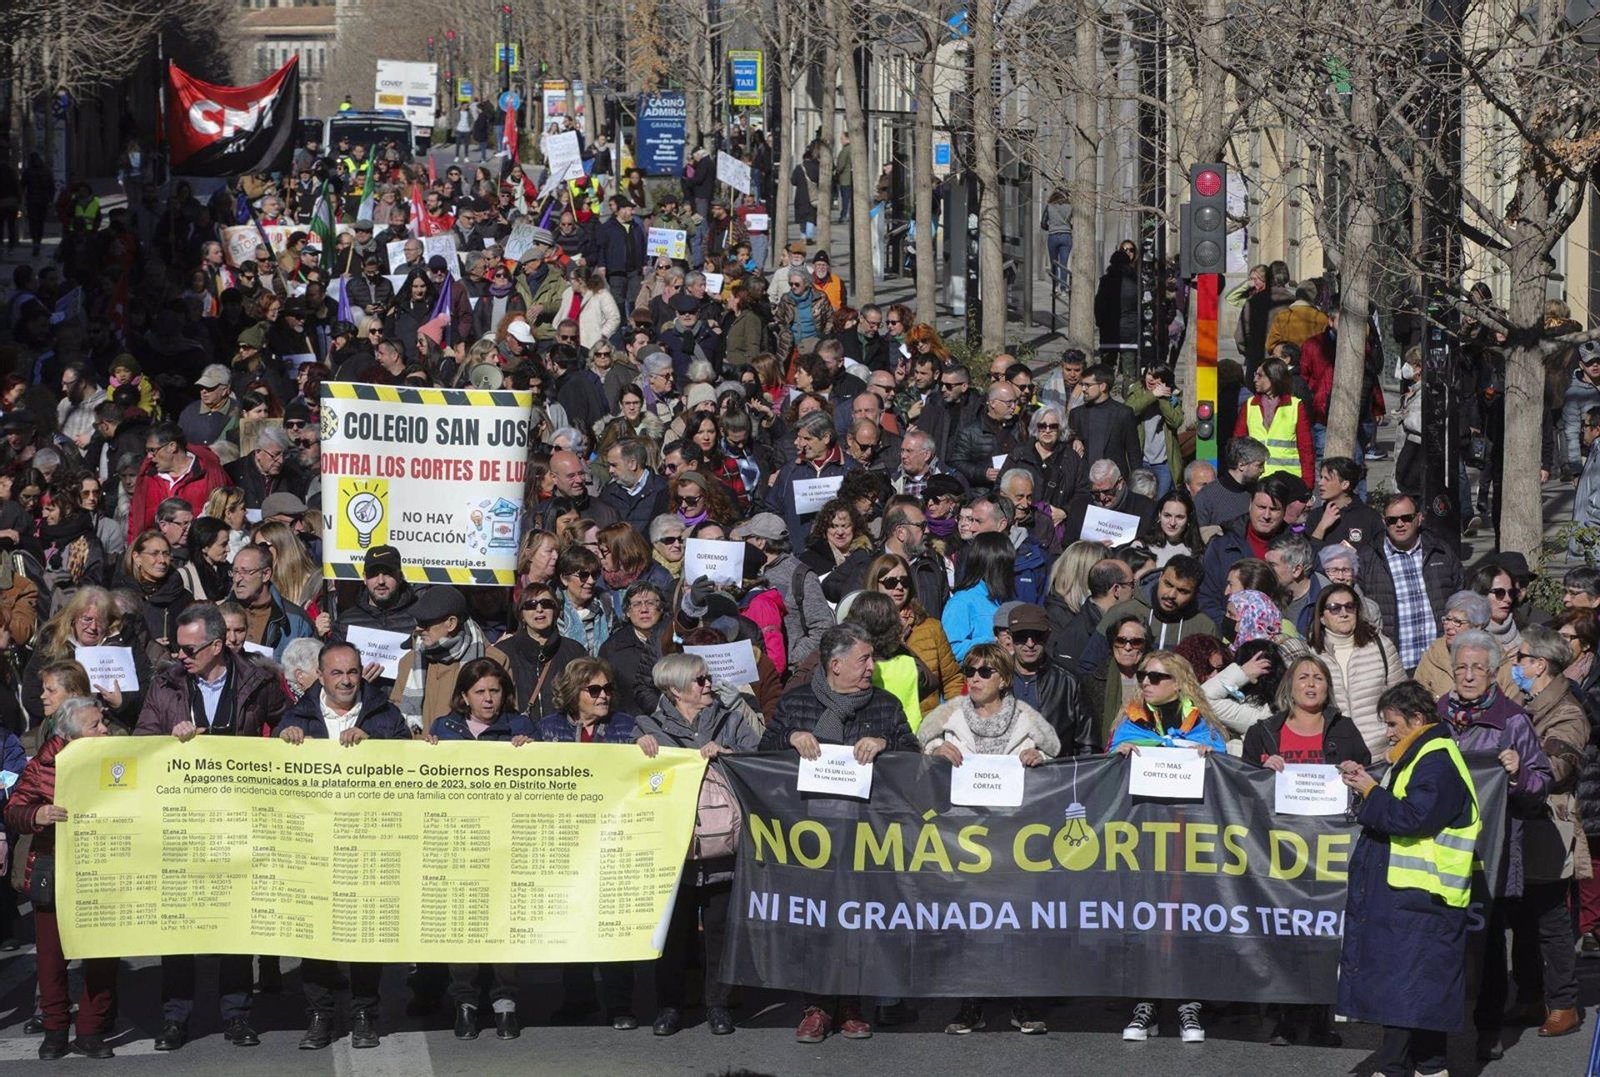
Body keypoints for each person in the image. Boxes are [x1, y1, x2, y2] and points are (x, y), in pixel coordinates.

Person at [762, 623, 918, 1043]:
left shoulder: (883, 705)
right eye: (864, 659)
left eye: (871, 659)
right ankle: (815, 1006)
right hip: (809, 836)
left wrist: (886, 745)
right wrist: (789, 737)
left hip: (867, 835)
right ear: (835, 664)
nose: (872, 667)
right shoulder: (797, 702)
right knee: (815, 922)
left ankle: (851, 1004)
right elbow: (762, 759)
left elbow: (915, 759)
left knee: (857, 921)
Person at [136, 603, 280, 1049]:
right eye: (178, 648)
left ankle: (236, 1014)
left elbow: (294, 721)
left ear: (218, 646)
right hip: (184, 819)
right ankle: (175, 1017)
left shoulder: (259, 681)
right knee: (180, 923)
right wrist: (167, 739)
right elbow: (142, 742)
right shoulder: (165, 684)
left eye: (190, 648)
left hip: (240, 817)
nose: (180, 655)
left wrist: (291, 735)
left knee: (234, 921)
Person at [1336, 681, 1482, 1077]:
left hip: (1419, 894)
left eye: (1393, 723)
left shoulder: (1434, 759)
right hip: (1418, 894)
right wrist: (1370, 783)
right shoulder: (1423, 753)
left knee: (1403, 987)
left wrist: (1369, 790)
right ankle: (1431, 1067)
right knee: (1421, 986)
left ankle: (1394, 1066)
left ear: (1418, 719)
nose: (1389, 731)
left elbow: (1412, 818)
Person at [278, 641, 412, 1049]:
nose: (346, 680)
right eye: (336, 673)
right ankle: (320, 1016)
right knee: (314, 936)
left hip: (368, 840)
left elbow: (410, 768)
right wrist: (286, 739)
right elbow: (274, 779)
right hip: (315, 844)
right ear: (320, 675)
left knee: (364, 935)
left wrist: (374, 744)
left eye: (352, 672)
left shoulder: (384, 715)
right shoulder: (297, 715)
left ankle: (365, 1016)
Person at [920, 641, 1057, 1035]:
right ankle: (970, 1004)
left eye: (984, 672)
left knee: (1015, 922)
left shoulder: (1026, 717)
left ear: (1004, 678)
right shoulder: (950, 713)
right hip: (964, 834)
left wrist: (1039, 759)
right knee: (969, 924)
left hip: (1013, 834)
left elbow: (1053, 747)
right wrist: (935, 748)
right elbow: (921, 738)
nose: (974, 679)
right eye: (969, 671)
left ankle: (1021, 1001)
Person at [635, 652, 764, 1036]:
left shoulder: (731, 718)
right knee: (674, 937)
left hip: (723, 847)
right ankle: (669, 1006)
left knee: (721, 934)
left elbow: (761, 756)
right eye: (700, 681)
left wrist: (728, 756)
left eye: (707, 679)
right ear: (675, 689)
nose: (709, 685)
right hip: (673, 852)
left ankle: (718, 1005)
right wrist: (637, 750)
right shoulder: (647, 727)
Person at [1108, 650, 1225, 1042]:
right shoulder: (1129, 721)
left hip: (1187, 839)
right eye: (1143, 676)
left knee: (1185, 918)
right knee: (1145, 916)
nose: (1145, 683)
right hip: (1140, 840)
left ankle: (1188, 1002)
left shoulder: (1203, 725)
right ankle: (1147, 1002)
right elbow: (1105, 779)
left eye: (1156, 678)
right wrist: (1117, 757)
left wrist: (1214, 758)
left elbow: (1228, 780)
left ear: (1179, 682)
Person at [423, 659, 531, 1040]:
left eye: (495, 691)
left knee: (504, 928)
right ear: (464, 697)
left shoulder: (520, 727)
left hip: (505, 844)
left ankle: (505, 1003)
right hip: (459, 843)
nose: (488, 699)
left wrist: (531, 752)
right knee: (463, 930)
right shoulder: (444, 729)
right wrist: (426, 752)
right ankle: (465, 1002)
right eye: (480, 692)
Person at [7, 696, 116, 1060]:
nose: (105, 730)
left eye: (103, 723)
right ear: (71, 737)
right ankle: (55, 1029)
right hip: (55, 870)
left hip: (103, 870)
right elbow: (14, 809)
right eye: (95, 726)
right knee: (52, 959)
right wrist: (37, 814)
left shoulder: (118, 758)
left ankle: (90, 1030)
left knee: (101, 954)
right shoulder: (43, 765)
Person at [533, 658, 638, 1027]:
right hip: (568, 840)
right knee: (573, 921)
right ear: (574, 693)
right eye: (594, 690)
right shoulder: (548, 730)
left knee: (610, 923)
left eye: (607, 688)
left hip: (613, 840)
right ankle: (577, 997)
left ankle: (620, 1003)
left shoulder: (628, 728)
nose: (603, 695)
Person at [1356, 493, 1462, 672]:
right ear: (1384, 521)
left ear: (1419, 518)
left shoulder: (1441, 551)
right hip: (1394, 666)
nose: (1399, 524)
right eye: (1392, 520)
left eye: (1406, 518)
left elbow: (1461, 595)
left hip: (1440, 663)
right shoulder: (1367, 559)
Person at [1308, 583, 1404, 759]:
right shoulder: (1311, 655)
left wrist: (1396, 745)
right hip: (1333, 755)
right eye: (1335, 608)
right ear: (1322, 617)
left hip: (1379, 753)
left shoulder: (1381, 646)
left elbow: (1403, 701)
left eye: (1349, 606)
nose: (1344, 613)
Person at [866, 553, 963, 717]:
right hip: (880, 724)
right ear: (875, 585)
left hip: (927, 727)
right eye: (890, 582)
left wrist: (952, 717)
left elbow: (952, 679)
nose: (899, 587)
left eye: (904, 581)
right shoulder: (863, 630)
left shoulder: (931, 628)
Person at [488, 581, 586, 715]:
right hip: (518, 732)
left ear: (555, 610)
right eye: (531, 605)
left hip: (562, 732)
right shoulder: (502, 652)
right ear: (521, 614)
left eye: (546, 604)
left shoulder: (575, 651)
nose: (539, 609)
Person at [941, 531, 1015, 661]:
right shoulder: (962, 602)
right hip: (977, 677)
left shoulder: (1007, 599)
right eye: (1007, 565)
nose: (1012, 570)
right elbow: (950, 651)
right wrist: (992, 642)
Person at [1413, 590, 1490, 699]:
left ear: (1477, 627)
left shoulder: (1495, 656)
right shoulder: (1433, 654)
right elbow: (1416, 698)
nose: (1448, 626)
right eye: (1447, 619)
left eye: (1457, 621)